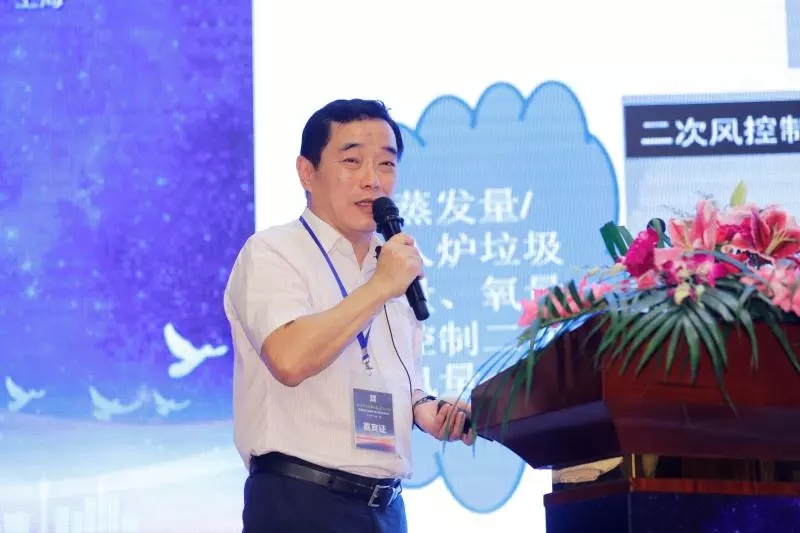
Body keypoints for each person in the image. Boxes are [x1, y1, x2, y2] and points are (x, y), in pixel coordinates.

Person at [224, 98, 475, 533]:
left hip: (385, 508)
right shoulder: (272, 252)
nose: (372, 180)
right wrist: (379, 287)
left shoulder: (392, 263)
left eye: (386, 163)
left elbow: (394, 376)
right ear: (307, 172)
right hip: (300, 502)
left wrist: (425, 409)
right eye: (352, 161)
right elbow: (289, 358)